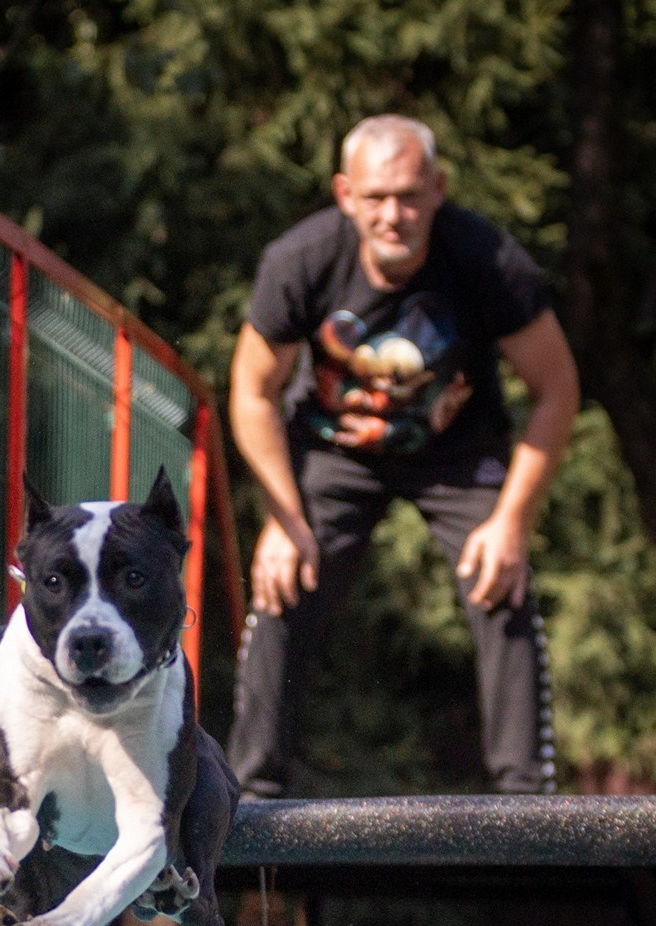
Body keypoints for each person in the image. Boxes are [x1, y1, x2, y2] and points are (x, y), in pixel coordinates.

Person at [227, 114, 580, 798]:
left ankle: (524, 796)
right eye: (377, 196)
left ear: (439, 189)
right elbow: (252, 392)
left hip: (458, 451)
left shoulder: (487, 262)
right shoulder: (298, 262)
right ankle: (251, 788)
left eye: (411, 195)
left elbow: (557, 387)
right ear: (345, 195)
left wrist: (513, 521)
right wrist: (282, 515)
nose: (395, 214)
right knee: (281, 578)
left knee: (499, 578)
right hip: (334, 451)